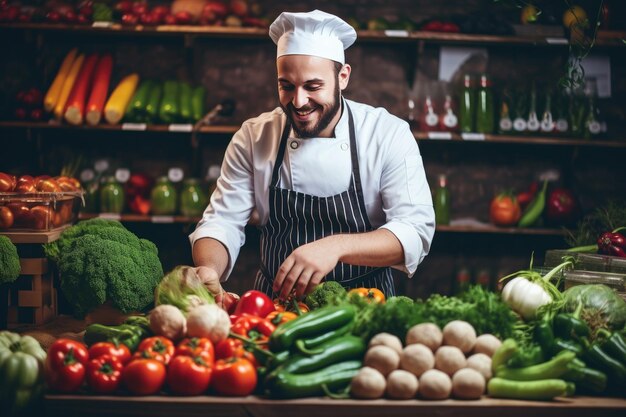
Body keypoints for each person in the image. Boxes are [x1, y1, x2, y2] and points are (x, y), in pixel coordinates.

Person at [190, 9, 435, 301]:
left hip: (367, 304)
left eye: (313, 86)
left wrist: (334, 247)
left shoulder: (386, 134)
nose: (299, 101)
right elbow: (222, 221)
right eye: (286, 86)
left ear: (342, 77)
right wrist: (208, 270)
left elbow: (414, 231)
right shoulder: (254, 137)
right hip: (276, 308)